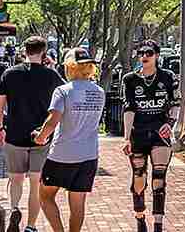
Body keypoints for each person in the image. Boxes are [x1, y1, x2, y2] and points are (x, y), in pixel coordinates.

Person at [0, 36, 64, 232]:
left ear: (24, 51)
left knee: (15, 179)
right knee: (35, 182)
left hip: (15, 134)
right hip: (41, 136)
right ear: (43, 53)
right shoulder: (51, 76)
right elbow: (66, 96)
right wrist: (52, 66)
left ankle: (15, 208)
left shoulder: (10, 74)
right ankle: (31, 226)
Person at [34, 48, 106, 232]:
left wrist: (41, 137)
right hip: (89, 155)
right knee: (78, 202)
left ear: (70, 67)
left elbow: (52, 121)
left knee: (45, 196)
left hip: (62, 154)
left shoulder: (63, 91)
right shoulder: (99, 92)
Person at [122, 40, 178, 232]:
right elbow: (128, 108)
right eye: (141, 53)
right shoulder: (130, 79)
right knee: (139, 177)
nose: (144, 56)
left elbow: (176, 102)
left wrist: (170, 124)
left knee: (159, 178)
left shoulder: (168, 77)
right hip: (138, 134)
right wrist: (126, 137)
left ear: (157, 55)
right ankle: (139, 217)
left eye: (149, 53)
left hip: (159, 134)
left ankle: (158, 223)